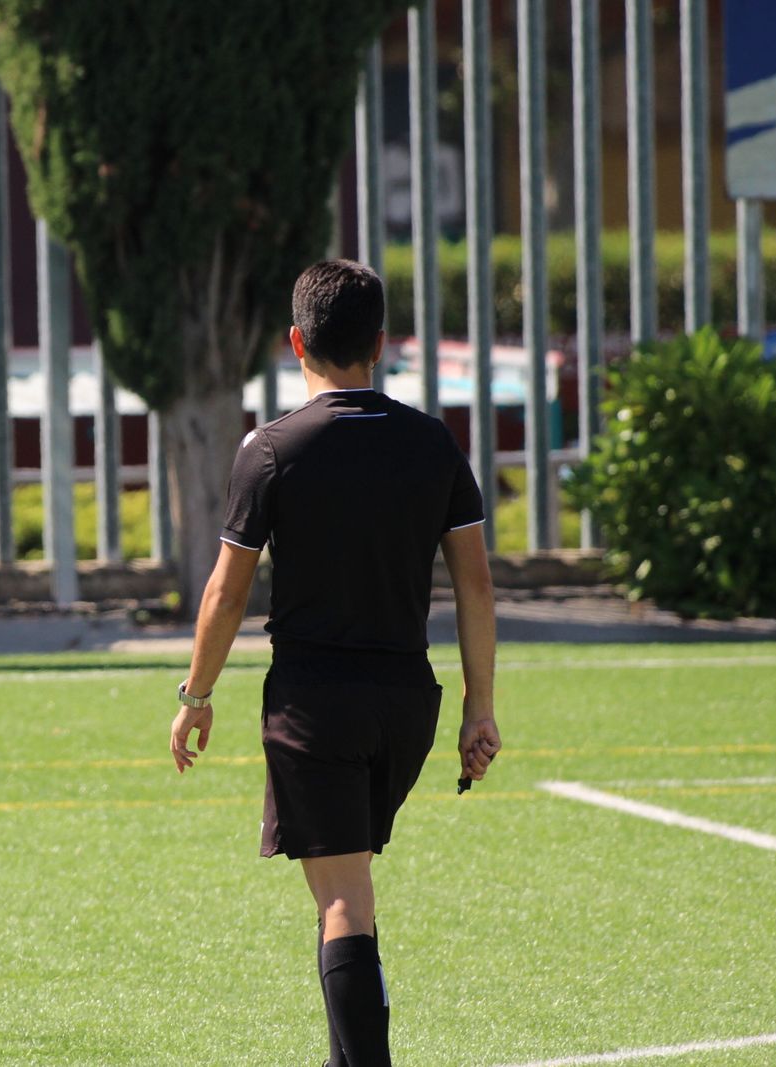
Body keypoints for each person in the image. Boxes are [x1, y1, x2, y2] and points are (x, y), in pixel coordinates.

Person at [168, 260, 500, 1066]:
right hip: (406, 703)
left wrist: (196, 693)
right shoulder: (431, 442)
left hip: (315, 704)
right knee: (346, 892)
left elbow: (226, 591)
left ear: (294, 342)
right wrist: (478, 709)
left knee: (345, 898)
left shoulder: (272, 449)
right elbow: (476, 581)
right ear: (380, 344)